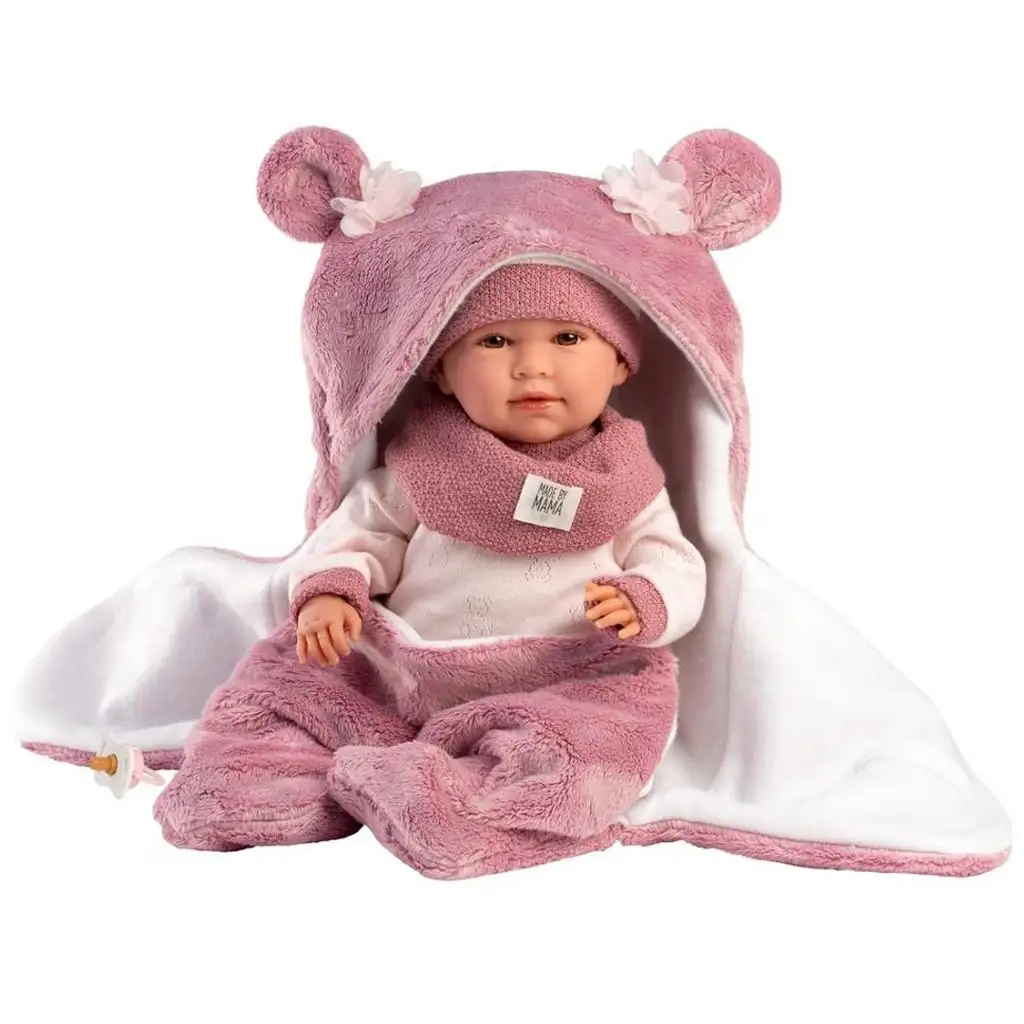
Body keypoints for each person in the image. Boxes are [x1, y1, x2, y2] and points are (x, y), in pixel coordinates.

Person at [289, 262, 707, 665]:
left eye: (567, 338)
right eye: (494, 341)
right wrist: (330, 593)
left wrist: (646, 597)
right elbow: (354, 539)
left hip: (578, 677)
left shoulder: (624, 481)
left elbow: (676, 567)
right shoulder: (421, 469)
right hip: (427, 674)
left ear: (619, 361)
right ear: (442, 372)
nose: (532, 367)